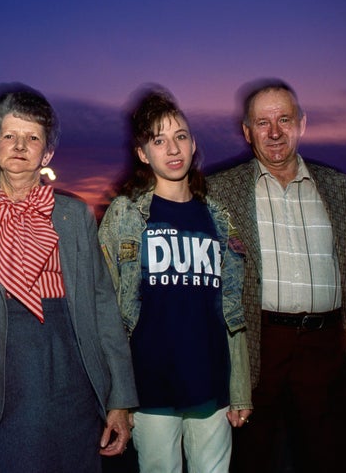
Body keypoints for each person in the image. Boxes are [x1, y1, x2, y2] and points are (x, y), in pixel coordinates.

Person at [0, 83, 138, 473]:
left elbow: (104, 308)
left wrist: (120, 399)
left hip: (70, 377)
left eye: (32, 137)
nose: (20, 146)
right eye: (9, 136)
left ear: (47, 152)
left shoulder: (74, 216)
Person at [206, 79, 346, 473]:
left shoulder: (337, 185)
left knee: (328, 454)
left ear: (302, 124)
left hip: (325, 344)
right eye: (263, 122)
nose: (275, 132)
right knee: (251, 455)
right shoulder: (220, 189)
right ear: (247, 132)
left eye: (284, 119)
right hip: (256, 343)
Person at [97, 86, 253, 473]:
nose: (172, 149)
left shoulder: (216, 216)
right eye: (159, 140)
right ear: (142, 153)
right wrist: (118, 395)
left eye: (180, 136)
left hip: (211, 384)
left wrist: (240, 390)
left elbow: (232, 310)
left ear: (193, 144)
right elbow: (105, 309)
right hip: (150, 388)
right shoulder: (125, 215)